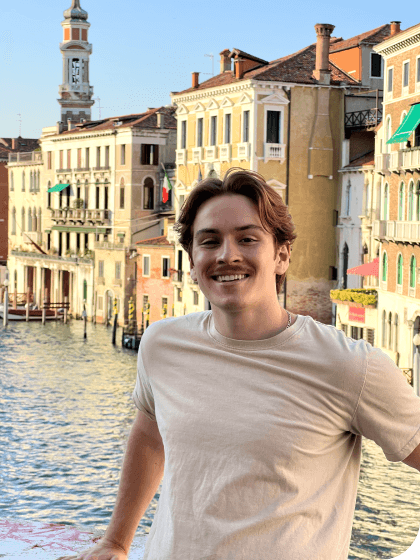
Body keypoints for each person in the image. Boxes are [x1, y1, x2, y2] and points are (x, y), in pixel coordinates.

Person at [57, 168, 420, 560]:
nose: (227, 254)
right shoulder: (162, 344)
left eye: (247, 238)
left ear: (281, 255)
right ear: (193, 262)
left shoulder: (349, 366)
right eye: (209, 241)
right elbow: (150, 436)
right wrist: (116, 541)